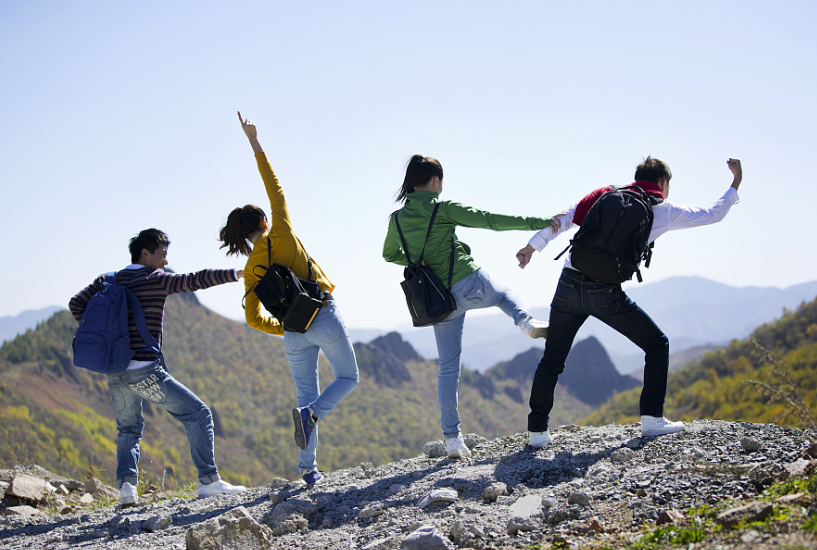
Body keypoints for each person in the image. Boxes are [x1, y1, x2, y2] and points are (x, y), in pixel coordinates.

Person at [518, 157, 743, 448]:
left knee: (552, 359)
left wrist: (533, 246)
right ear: (663, 184)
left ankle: (537, 433)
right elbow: (713, 213)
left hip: (569, 285)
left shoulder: (605, 194)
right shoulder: (663, 209)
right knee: (657, 344)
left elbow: (564, 217)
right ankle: (652, 419)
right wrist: (735, 182)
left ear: (636, 177)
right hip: (606, 294)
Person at [219, 112, 359, 486]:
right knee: (348, 377)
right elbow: (274, 185)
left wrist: (284, 329)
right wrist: (254, 141)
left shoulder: (250, 269)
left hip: (293, 333)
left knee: (305, 397)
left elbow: (251, 319)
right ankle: (313, 416)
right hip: (322, 315)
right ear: (263, 222)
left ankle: (308, 470)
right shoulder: (280, 230)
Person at [383, 155, 554, 458]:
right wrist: (539, 224)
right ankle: (525, 321)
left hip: (437, 301)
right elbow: (490, 219)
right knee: (503, 296)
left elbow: (390, 254)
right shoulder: (442, 207)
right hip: (468, 284)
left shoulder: (397, 219)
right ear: (435, 181)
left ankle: (452, 441)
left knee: (448, 370)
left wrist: (417, 261)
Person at [68, 228, 247, 505]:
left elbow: (76, 303)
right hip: (144, 370)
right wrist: (236, 274)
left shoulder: (107, 280)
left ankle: (127, 489)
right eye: (162, 254)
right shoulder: (155, 280)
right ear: (145, 253)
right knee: (198, 416)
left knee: (128, 429)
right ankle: (209, 482)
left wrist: (105, 335)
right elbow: (195, 280)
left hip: (115, 372)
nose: (165, 261)